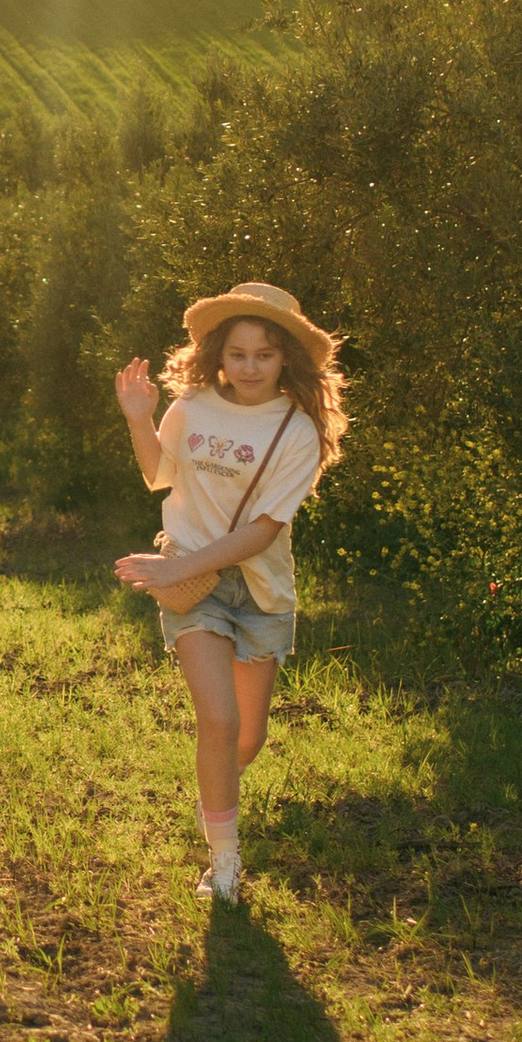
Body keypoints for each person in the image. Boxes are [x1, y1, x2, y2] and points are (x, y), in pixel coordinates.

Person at [111, 280, 348, 900]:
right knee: (217, 720)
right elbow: (157, 474)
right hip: (196, 584)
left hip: (262, 590)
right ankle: (223, 865)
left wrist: (173, 571)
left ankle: (214, 795)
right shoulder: (191, 407)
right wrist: (141, 419)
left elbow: (265, 530)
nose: (249, 367)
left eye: (264, 356)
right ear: (218, 351)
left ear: (286, 360)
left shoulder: (299, 430)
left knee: (248, 735)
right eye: (238, 353)